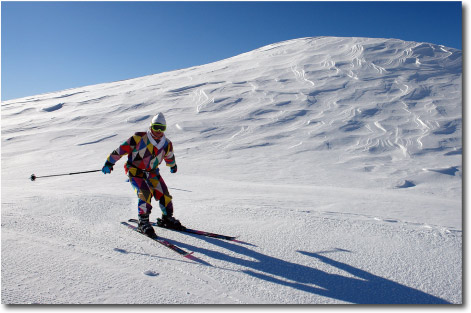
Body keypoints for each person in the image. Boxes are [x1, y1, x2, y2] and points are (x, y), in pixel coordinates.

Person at [102, 113, 183, 237]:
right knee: (145, 194)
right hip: (135, 171)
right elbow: (121, 150)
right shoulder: (139, 138)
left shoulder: (166, 143)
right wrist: (109, 162)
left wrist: (172, 166)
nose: (159, 131)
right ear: (151, 127)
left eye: (162, 128)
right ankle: (143, 221)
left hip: (152, 172)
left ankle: (167, 218)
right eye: (156, 127)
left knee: (164, 195)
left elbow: (169, 156)